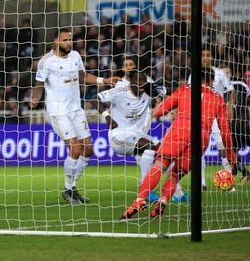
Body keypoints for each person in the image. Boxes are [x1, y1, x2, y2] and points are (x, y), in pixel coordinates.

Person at [120, 67, 237, 220]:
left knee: (159, 165)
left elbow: (160, 111)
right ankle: (163, 200)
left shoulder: (184, 89)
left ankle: (140, 200)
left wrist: (160, 103)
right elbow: (225, 132)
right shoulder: (218, 99)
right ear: (212, 81)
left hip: (181, 128)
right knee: (176, 174)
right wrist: (231, 156)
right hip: (201, 137)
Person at [29, 28, 119, 204]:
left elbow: (82, 76)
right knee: (75, 149)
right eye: (65, 40)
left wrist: (104, 81)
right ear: (56, 41)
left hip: (75, 109)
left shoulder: (75, 56)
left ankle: (72, 188)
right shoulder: (45, 62)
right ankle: (68, 189)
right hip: (57, 111)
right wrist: (35, 98)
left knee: (88, 149)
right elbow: (39, 85)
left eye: (70, 39)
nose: (69, 43)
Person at [97, 70, 189, 203]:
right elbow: (95, 98)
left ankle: (177, 194)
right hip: (119, 137)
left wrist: (188, 88)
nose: (141, 84)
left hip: (137, 135)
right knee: (160, 149)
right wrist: (107, 116)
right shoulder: (121, 90)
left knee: (159, 153)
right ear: (131, 83)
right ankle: (148, 190)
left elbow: (171, 90)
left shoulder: (148, 89)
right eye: (137, 81)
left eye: (143, 81)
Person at [189, 47, 235, 190]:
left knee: (223, 146)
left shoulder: (220, 73)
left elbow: (231, 90)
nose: (205, 57)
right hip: (200, 115)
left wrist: (229, 107)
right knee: (199, 148)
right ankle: (201, 182)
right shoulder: (194, 74)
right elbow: (189, 93)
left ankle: (228, 180)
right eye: (202, 55)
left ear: (212, 57)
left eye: (208, 55)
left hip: (217, 115)